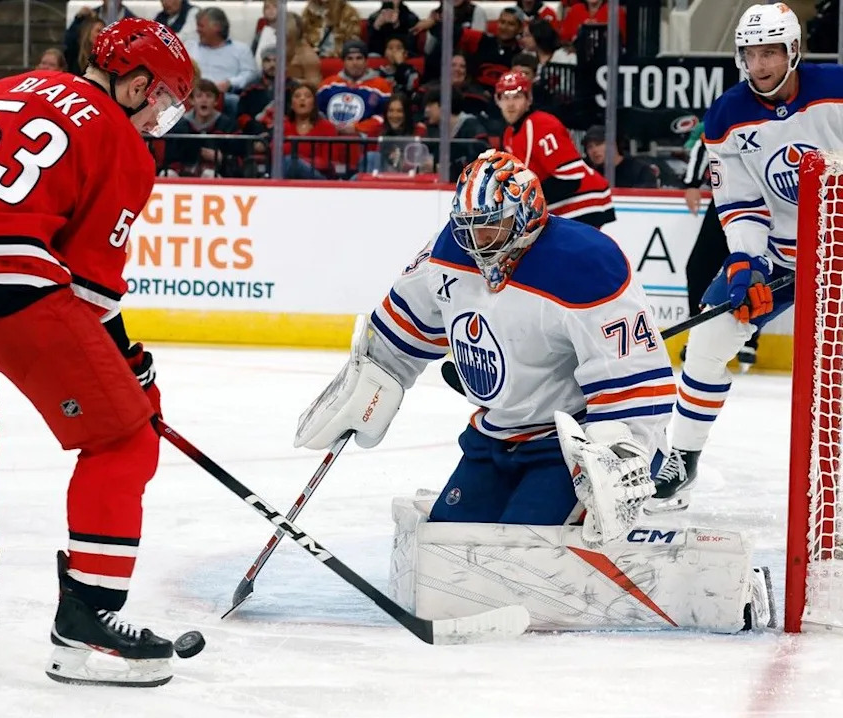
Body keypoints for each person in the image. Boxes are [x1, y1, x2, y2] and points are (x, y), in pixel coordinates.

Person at [292, 150, 773, 631]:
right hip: (491, 437)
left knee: (521, 559)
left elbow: (635, 385)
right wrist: (367, 385)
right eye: (467, 226)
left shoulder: (586, 265)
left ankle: (709, 585)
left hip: (564, 446)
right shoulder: (451, 252)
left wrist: (614, 459)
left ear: (525, 218)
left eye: (489, 227)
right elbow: (401, 331)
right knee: (449, 554)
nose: (474, 242)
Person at [0, 18, 193, 685]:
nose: (158, 117)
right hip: (2, 288)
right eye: (162, 100)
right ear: (135, 83)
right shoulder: (123, 146)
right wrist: (130, 369)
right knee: (124, 440)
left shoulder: (18, 84)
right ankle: (87, 623)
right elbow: (87, 292)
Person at [649, 3, 833, 512]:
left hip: (838, 252)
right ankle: (682, 457)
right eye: (751, 53)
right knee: (708, 340)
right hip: (782, 257)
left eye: (771, 51)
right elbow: (741, 203)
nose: (761, 65)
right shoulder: (728, 116)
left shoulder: (837, 91)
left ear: (793, 51)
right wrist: (746, 263)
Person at [678, 123, 759, 370]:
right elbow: (706, 137)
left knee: (754, 267)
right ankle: (698, 333)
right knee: (699, 268)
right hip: (726, 200)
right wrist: (692, 183)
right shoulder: (732, 109)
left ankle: (749, 338)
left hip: (764, 205)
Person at [497, 70, 614, 228]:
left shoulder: (542, 125)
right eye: (505, 97)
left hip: (585, 199)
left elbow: (571, 179)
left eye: (517, 96)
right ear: (498, 101)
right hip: (560, 204)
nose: (510, 104)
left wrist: (528, 200)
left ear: (529, 99)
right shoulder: (509, 134)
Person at [582, 124, 657, 189]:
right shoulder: (588, 175)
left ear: (613, 144)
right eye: (589, 147)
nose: (594, 150)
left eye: (599, 144)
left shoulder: (640, 171)